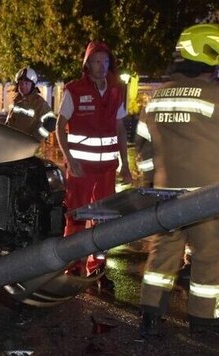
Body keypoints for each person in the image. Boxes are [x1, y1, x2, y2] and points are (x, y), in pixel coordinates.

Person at [137, 24, 219, 338]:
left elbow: (144, 149)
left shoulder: (156, 97)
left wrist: (150, 183)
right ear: (209, 57)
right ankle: (202, 321)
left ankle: (150, 315)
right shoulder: (218, 97)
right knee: (209, 256)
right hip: (209, 196)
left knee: (162, 254)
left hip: (166, 196)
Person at [55, 41, 132, 288]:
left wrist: (126, 165)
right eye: (97, 61)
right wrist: (69, 159)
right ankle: (73, 265)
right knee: (77, 216)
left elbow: (120, 129)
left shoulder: (117, 90)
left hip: (107, 168)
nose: (102, 66)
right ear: (87, 64)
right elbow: (59, 127)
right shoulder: (74, 90)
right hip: (81, 169)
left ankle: (98, 267)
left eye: (106, 61)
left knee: (106, 218)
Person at [5, 67, 54, 141]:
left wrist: (34, 140)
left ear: (33, 85)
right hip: (13, 144)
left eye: (26, 83)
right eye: (21, 83)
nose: (23, 86)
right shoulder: (16, 101)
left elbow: (51, 123)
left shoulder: (39, 103)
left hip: (28, 148)